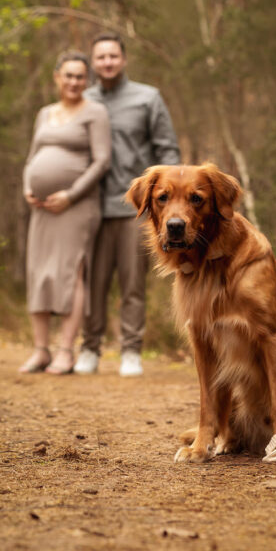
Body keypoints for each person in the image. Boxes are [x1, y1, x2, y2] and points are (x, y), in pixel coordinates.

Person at [74, 33, 180, 377]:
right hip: (89, 208)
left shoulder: (148, 98)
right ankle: (89, 348)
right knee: (92, 284)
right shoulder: (83, 99)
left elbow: (167, 152)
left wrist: (168, 204)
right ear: (93, 62)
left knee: (133, 285)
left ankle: (131, 351)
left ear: (124, 59)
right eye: (100, 56)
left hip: (135, 211)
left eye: (113, 56)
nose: (107, 62)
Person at [19, 50, 111, 375]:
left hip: (77, 206)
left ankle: (64, 351)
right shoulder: (44, 113)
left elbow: (102, 161)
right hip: (42, 208)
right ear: (57, 77)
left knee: (72, 273)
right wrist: (27, 187)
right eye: (68, 75)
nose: (74, 82)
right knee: (38, 272)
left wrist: (69, 196)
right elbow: (32, 157)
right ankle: (41, 349)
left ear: (87, 81)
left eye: (80, 77)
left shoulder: (95, 112)